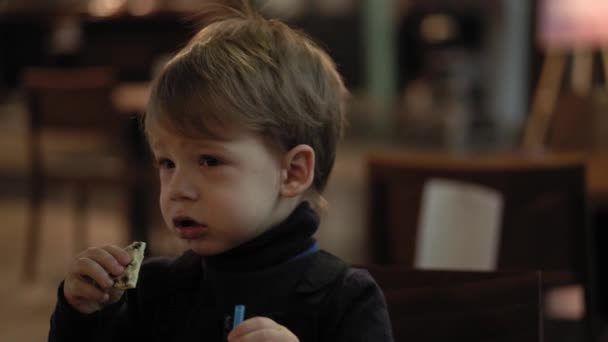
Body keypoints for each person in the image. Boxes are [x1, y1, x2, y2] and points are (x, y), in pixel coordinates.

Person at [48, 2, 393, 341]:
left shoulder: (345, 300)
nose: (177, 189)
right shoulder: (153, 291)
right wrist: (82, 318)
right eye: (167, 163)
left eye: (209, 161)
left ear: (292, 173)